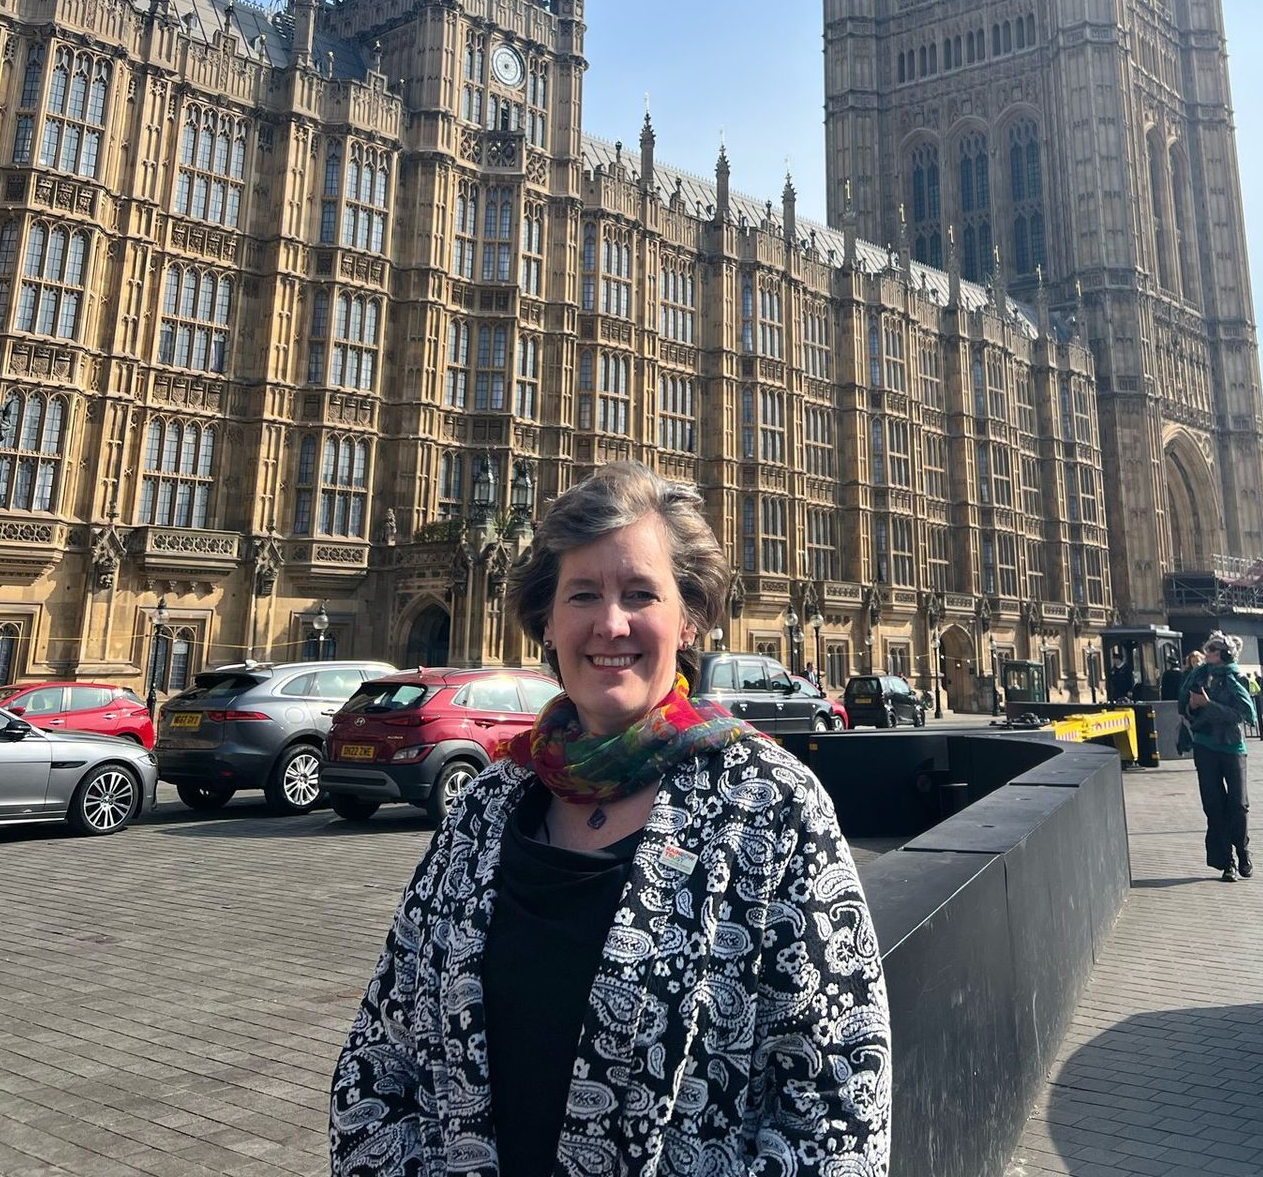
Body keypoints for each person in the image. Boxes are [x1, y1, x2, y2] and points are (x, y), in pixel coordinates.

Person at [330, 462, 892, 1175]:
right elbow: (379, 1059)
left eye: (639, 593)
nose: (610, 623)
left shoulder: (769, 807)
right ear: (548, 619)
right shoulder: (487, 804)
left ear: (689, 618)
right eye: (583, 594)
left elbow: (835, 1112)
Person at [1178, 631, 1256, 882]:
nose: (1207, 653)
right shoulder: (1197, 676)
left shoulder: (1236, 678)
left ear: (1224, 653)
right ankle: (1226, 862)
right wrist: (1193, 706)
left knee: (1238, 805)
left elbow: (1241, 714)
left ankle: (1242, 850)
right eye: (1207, 649)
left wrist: (1207, 705)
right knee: (1214, 805)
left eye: (1212, 650)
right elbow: (1186, 707)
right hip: (1205, 746)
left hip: (1232, 747)